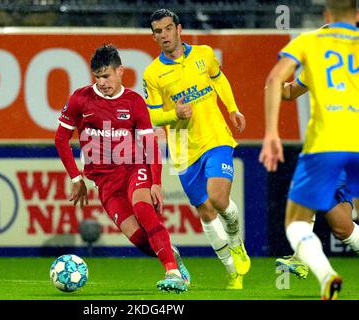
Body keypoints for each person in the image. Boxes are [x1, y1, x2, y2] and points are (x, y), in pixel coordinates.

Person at [55, 44, 190, 293]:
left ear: (120, 72)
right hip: (105, 181)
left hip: (132, 168)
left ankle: (172, 272)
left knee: (143, 209)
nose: (102, 82)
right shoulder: (80, 99)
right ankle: (172, 255)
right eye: (97, 77)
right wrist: (76, 178)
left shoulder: (134, 102)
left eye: (106, 76)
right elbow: (61, 139)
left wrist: (156, 182)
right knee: (137, 237)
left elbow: (150, 143)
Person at [142, 8, 250, 290]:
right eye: (157, 31)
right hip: (181, 149)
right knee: (205, 211)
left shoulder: (204, 54)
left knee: (218, 198)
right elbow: (152, 115)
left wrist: (233, 108)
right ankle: (232, 271)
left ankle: (237, 244)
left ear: (179, 29)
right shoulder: (153, 74)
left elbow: (218, 79)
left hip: (215, 138)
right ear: (153, 36)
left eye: (167, 28)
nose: (163, 35)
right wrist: (173, 114)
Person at [259, 0, 359, 300]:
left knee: (295, 223)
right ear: (356, 15)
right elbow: (290, 89)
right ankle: (305, 261)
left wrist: (272, 131)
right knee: (342, 227)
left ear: (326, 15)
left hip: (326, 145)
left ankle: (324, 273)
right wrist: (280, 90)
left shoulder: (311, 42)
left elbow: (278, 80)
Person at [276, 70, 359, 279]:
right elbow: (290, 92)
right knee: (343, 228)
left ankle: (301, 256)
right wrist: (276, 87)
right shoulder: (317, 57)